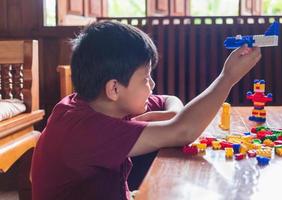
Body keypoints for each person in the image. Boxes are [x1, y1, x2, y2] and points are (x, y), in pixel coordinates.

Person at [31, 21, 261, 200]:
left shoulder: (102, 102)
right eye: (145, 78)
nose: (152, 85)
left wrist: (173, 113)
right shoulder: (83, 130)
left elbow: (170, 101)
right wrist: (227, 77)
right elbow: (184, 131)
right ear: (114, 88)